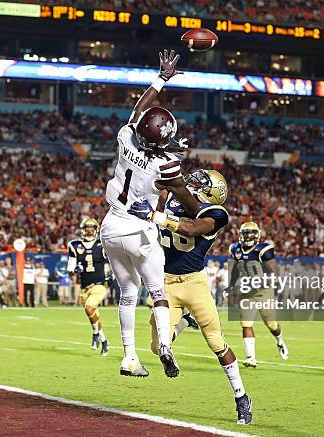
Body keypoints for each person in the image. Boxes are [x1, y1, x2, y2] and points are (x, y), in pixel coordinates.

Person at [99, 49, 199, 378]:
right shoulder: (166, 165)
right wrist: (205, 211)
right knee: (157, 292)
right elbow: (186, 199)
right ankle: (166, 347)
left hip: (111, 226)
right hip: (139, 231)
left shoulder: (126, 137)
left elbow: (139, 111)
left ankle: (129, 357)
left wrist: (162, 78)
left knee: (127, 293)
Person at [129, 169, 252, 425]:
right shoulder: (175, 198)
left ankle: (241, 396)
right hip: (165, 283)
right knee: (157, 347)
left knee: (216, 342)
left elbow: (191, 228)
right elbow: (163, 194)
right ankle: (184, 322)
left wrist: (156, 216)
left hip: (195, 284)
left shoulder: (216, 214)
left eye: (202, 182)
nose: (194, 181)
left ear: (211, 192)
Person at [229, 221, 289, 368]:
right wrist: (231, 286)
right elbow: (236, 269)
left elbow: (274, 272)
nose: (249, 236)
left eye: (251, 233)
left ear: (257, 235)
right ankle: (251, 357)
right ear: (241, 235)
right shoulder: (235, 248)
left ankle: (280, 341)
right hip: (246, 292)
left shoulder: (263, 250)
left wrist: (258, 282)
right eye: (246, 233)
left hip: (264, 291)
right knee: (246, 324)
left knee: (272, 325)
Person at [67, 218, 110, 356]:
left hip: (99, 285)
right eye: (87, 229)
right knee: (94, 315)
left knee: (89, 308)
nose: (89, 232)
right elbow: (70, 269)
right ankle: (104, 341)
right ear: (83, 230)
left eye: (92, 229)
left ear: (96, 230)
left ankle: (95, 334)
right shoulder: (74, 245)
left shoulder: (102, 244)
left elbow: (114, 261)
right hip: (84, 287)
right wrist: (75, 270)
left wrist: (111, 272)